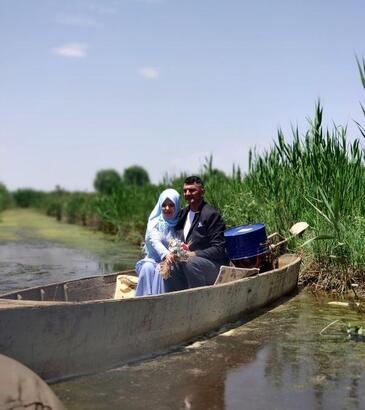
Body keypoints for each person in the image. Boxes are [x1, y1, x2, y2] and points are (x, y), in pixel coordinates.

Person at [164, 176, 229, 291]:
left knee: (190, 262)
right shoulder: (182, 214)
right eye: (185, 191)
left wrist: (194, 254)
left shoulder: (211, 215)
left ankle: (198, 301)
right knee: (168, 265)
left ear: (202, 192)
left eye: (192, 190)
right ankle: (173, 301)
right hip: (187, 263)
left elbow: (219, 249)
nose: (188, 193)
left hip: (213, 267)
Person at [135, 188, 180, 296]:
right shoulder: (154, 223)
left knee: (167, 269)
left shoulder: (180, 222)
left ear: (177, 206)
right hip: (153, 260)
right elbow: (155, 240)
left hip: (172, 262)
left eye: (171, 205)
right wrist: (166, 254)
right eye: (164, 205)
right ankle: (143, 298)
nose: (167, 208)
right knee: (148, 268)